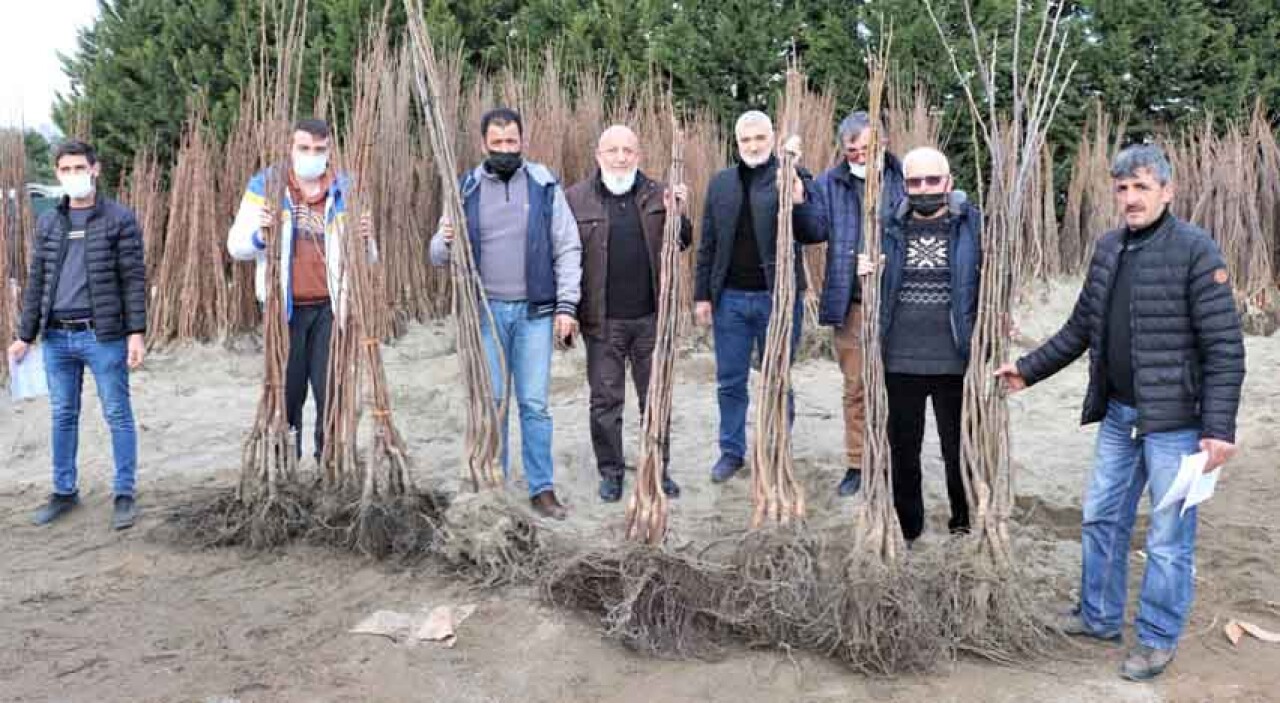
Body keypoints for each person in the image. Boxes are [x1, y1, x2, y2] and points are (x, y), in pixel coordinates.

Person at [996, 144, 1245, 681]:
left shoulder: (1197, 251)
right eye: (1123, 188)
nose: (1131, 198)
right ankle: (1099, 616)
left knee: (1167, 538)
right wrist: (1027, 369)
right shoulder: (1109, 248)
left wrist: (1219, 429)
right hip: (1119, 416)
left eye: (1142, 187)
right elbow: (1080, 328)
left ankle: (1156, 639)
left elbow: (1225, 347)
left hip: (1177, 427)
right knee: (1101, 516)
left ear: (1167, 191)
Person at [430, 107, 582, 520]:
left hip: (535, 313)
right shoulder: (466, 188)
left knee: (533, 403)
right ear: (483, 144)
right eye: (496, 144)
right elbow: (437, 256)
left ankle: (542, 489)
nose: (504, 149)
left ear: (522, 141)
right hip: (486, 313)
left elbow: (567, 246)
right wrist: (445, 240)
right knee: (494, 400)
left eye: (510, 142)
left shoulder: (544, 184)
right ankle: (496, 479)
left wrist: (567, 307)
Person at [9, 140, 147, 530]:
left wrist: (135, 332)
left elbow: (133, 279)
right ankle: (64, 491)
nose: (73, 176)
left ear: (95, 169)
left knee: (117, 413)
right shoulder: (50, 222)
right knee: (63, 415)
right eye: (65, 170)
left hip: (102, 335)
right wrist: (25, 335)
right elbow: (37, 281)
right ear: (57, 174)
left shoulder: (119, 219)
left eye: (78, 168)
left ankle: (124, 492)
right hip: (56, 338)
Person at [227, 118, 373, 464]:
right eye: (304, 148)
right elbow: (236, 246)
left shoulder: (346, 188)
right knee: (287, 392)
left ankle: (329, 465)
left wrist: (365, 240)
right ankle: (284, 464)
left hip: (332, 309)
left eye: (319, 150)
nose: (312, 155)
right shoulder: (267, 186)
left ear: (329, 151)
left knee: (330, 391)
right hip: (285, 311)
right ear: (290, 149)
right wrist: (262, 236)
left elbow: (370, 257)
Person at [565, 125, 692, 503]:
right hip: (601, 321)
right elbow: (567, 259)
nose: (620, 158)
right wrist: (567, 311)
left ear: (638, 155)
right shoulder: (576, 199)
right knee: (605, 401)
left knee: (656, 397)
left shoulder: (658, 193)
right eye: (612, 151)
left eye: (628, 151)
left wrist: (679, 213)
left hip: (650, 319)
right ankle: (612, 472)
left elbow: (682, 241)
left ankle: (658, 467)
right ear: (598, 155)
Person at [694, 110, 821, 483]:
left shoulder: (791, 175)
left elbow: (813, 232)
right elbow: (708, 244)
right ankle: (731, 452)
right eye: (745, 140)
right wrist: (702, 295)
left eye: (759, 138)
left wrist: (798, 199)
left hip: (777, 298)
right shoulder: (720, 185)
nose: (752, 145)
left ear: (772, 139)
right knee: (730, 380)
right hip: (730, 300)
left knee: (777, 376)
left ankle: (776, 444)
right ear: (737, 144)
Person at [866, 146, 980, 543]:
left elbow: (988, 282)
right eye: (915, 182)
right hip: (900, 359)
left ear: (948, 182)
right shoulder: (886, 228)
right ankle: (909, 530)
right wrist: (865, 274)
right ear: (904, 185)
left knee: (958, 450)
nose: (924, 188)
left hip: (954, 359)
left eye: (933, 180)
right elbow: (870, 290)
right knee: (904, 452)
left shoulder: (972, 225)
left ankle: (962, 524)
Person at [794, 110, 905, 497]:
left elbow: (917, 230)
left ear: (885, 145)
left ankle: (892, 460)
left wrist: (889, 256)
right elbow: (813, 231)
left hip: (898, 302)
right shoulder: (830, 183)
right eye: (852, 150)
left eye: (867, 148)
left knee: (895, 386)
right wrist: (797, 202)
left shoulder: (905, 179)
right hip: (852, 304)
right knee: (856, 386)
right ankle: (857, 462)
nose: (860, 155)